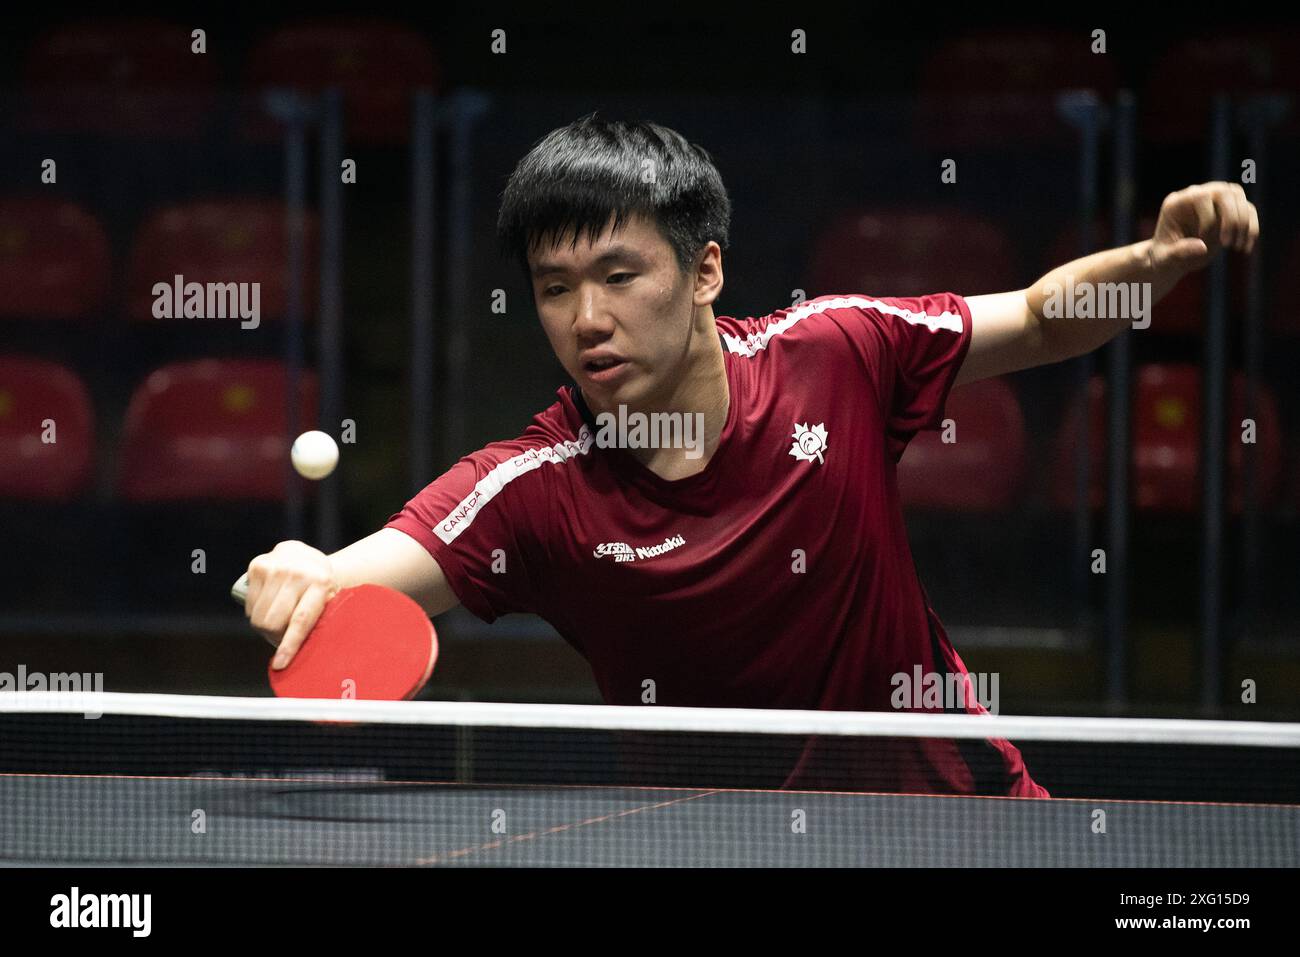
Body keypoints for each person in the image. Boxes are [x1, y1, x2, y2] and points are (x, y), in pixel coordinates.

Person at [240, 114, 1258, 796]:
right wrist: (301, 574)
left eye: (618, 273)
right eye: (555, 288)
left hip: (962, 819)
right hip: (719, 845)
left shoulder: (836, 354)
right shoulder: (534, 490)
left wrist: (1153, 262)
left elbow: (1038, 321)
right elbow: (356, 579)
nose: (587, 318)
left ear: (704, 270)